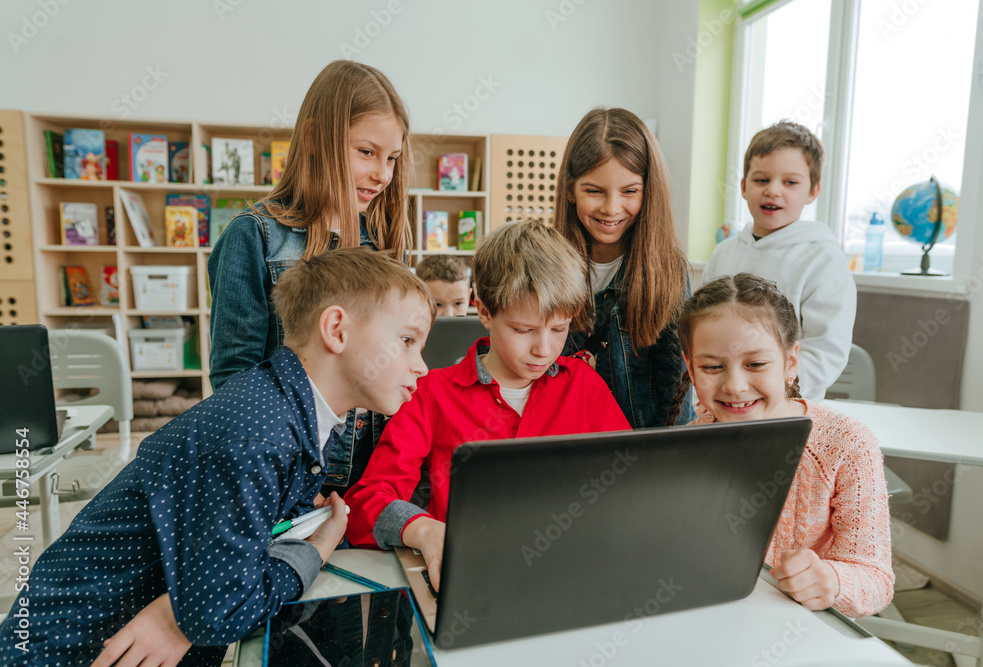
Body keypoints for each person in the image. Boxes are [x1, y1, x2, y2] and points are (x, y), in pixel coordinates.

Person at [0, 249, 434, 666]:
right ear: (337, 329)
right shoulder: (260, 433)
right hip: (73, 645)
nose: (423, 367)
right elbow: (219, 610)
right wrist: (316, 549)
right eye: (407, 341)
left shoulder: (290, 407)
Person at [344, 219, 632, 589]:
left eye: (559, 330)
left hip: (573, 575)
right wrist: (422, 529)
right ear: (483, 313)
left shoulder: (583, 384)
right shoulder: (432, 393)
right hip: (473, 579)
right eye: (523, 330)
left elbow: (627, 480)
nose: (544, 349)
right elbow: (367, 502)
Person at [207, 59, 413, 498]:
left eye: (391, 158)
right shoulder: (255, 236)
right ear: (316, 138)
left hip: (373, 478)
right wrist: (288, 477)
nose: (383, 174)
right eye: (366, 152)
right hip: (287, 475)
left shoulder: (385, 244)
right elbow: (235, 379)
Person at [667, 272, 893, 618]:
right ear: (691, 369)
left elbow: (875, 578)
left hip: (805, 627)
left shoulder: (846, 445)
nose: (736, 386)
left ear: (790, 363)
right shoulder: (689, 445)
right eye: (712, 366)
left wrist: (832, 580)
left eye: (756, 364)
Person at [554, 107, 694, 428]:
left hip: (640, 458)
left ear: (649, 190)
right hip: (560, 449)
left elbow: (677, 392)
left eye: (629, 191)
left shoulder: (668, 272)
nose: (611, 208)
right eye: (594, 191)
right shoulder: (545, 264)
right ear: (570, 190)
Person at [701, 120, 856, 400]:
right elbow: (702, 335)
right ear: (743, 186)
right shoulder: (723, 253)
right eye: (761, 180)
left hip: (788, 409)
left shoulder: (823, 259)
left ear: (812, 192)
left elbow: (825, 351)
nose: (773, 190)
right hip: (722, 403)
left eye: (790, 182)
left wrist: (769, 394)